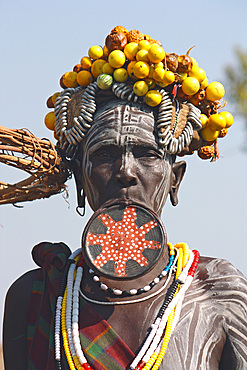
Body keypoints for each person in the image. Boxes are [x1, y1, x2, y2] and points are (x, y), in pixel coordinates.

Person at [3, 26, 247, 370]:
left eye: (147, 154)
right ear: (80, 179)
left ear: (174, 181)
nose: (125, 172)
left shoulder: (219, 293)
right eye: (104, 155)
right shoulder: (36, 296)